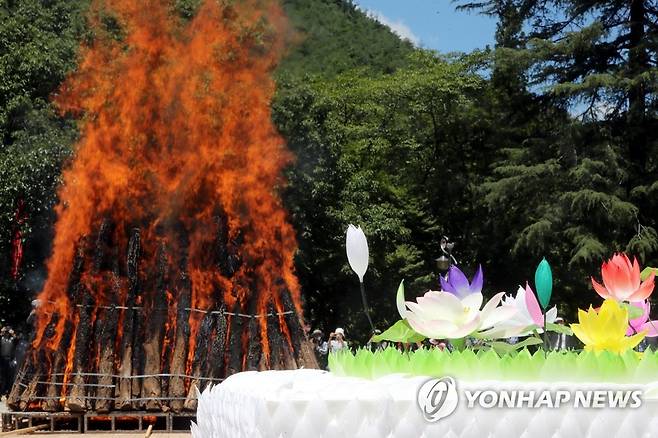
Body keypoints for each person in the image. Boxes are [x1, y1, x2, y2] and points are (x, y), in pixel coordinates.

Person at [0, 326, 17, 395]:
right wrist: (1, 332)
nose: (7, 333)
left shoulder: (12, 339)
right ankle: (1, 392)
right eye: (6, 332)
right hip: (2, 360)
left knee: (10, 377)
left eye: (8, 332)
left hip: (10, 360)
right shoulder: (1, 338)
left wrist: (12, 333)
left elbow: (17, 338)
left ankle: (9, 392)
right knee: (1, 377)